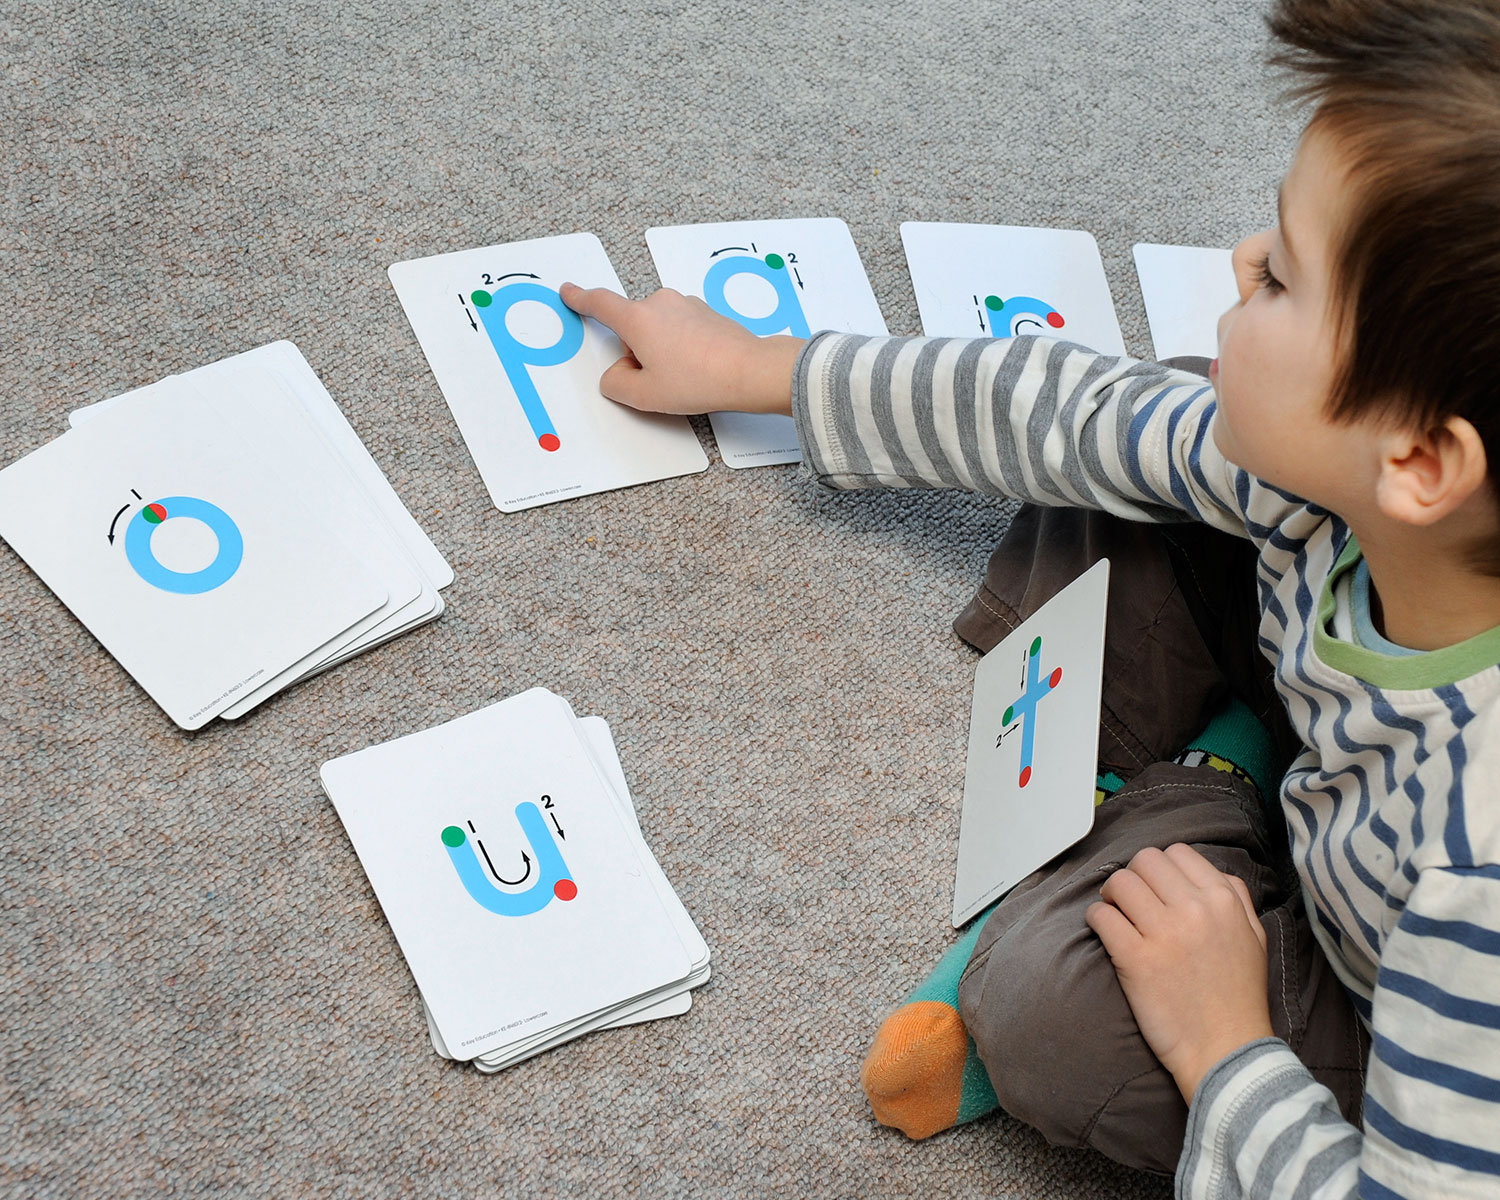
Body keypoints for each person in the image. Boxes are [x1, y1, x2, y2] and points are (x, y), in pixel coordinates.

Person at [560, 0, 1500, 1192]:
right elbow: (1064, 409)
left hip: (1395, 1017)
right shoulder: (1361, 487)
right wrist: (759, 369)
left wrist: (1227, 1048)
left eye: (1285, 278)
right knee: (1149, 429)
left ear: (1419, 464)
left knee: (1053, 1016)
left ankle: (1178, 799)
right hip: (1359, 745)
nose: (1241, 261)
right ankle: (1220, 773)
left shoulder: (1479, 876)